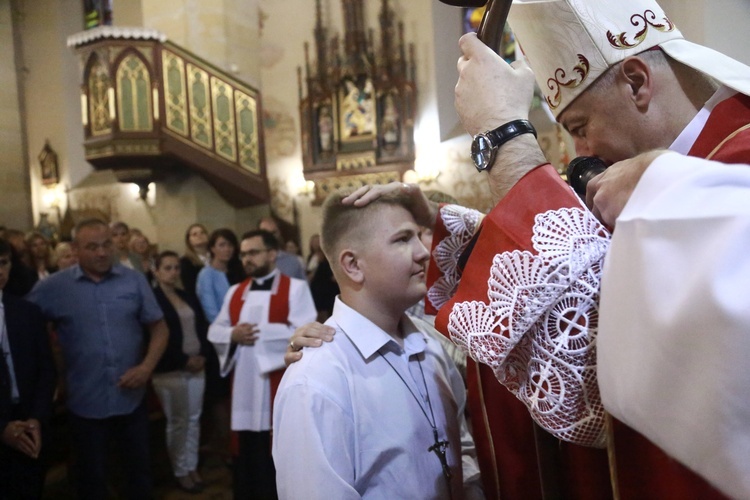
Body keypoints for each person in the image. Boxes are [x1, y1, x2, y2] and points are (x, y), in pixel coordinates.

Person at [294, 0, 750, 497]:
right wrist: (450, 231)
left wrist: (505, 136)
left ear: (637, 82)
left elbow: (598, 364)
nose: (580, 154)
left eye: (578, 126)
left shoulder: (735, 160)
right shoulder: (682, 170)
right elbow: (604, 282)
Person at [273, 189, 483, 499]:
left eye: (417, 236)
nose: (423, 252)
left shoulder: (431, 346)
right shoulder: (316, 379)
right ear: (353, 265)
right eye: (402, 239)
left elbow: (460, 449)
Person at [27, 218, 168, 499]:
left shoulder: (133, 280)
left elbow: (159, 327)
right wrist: (49, 372)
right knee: (91, 479)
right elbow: (23, 324)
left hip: (132, 399)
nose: (102, 253)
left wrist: (146, 367)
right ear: (76, 249)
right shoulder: (54, 287)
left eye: (106, 245)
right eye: (92, 247)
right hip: (85, 401)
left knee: (138, 474)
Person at [208, 229, 316, 499]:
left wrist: (258, 333)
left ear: (272, 254)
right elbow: (215, 330)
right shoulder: (235, 291)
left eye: (253, 252)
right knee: (247, 451)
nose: (247, 259)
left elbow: (305, 331)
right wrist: (233, 334)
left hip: (277, 379)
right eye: (243, 254)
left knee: (277, 449)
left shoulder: (296, 288)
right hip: (244, 382)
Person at [0, 238, 57, 499]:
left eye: (3, 263)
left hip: (28, 419)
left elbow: (46, 369)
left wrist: (37, 417)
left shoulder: (27, 311)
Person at [150, 250, 211, 493]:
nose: (173, 272)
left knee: (194, 418)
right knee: (177, 421)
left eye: (176, 267)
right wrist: (184, 360)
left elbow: (202, 326)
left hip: (197, 363)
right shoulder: (153, 299)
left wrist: (202, 355)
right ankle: (180, 470)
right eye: (167, 268)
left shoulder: (185, 294)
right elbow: (155, 337)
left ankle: (191, 466)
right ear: (156, 270)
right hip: (170, 368)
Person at [179, 223, 210, 300]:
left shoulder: (216, 257)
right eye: (194, 234)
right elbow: (190, 288)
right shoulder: (185, 262)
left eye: (202, 232)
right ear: (189, 240)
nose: (199, 235)